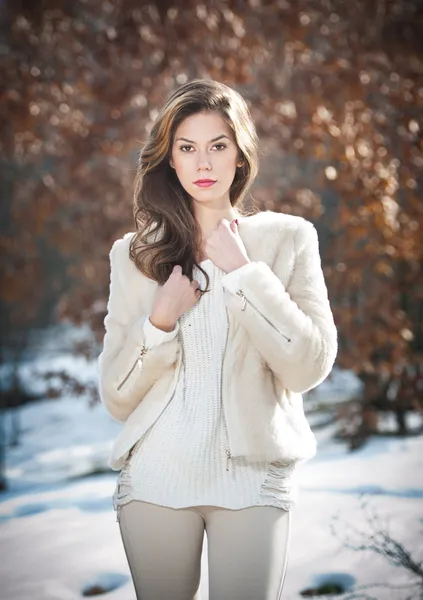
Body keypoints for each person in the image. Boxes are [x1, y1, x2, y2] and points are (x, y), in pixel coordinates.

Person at [98, 79, 338, 600]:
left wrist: (247, 275)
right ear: (170, 160)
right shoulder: (133, 256)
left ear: (240, 154)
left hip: (253, 481)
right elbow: (117, 397)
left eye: (217, 145)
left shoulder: (288, 239)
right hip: (155, 481)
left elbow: (308, 366)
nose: (202, 163)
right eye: (187, 148)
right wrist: (158, 324)